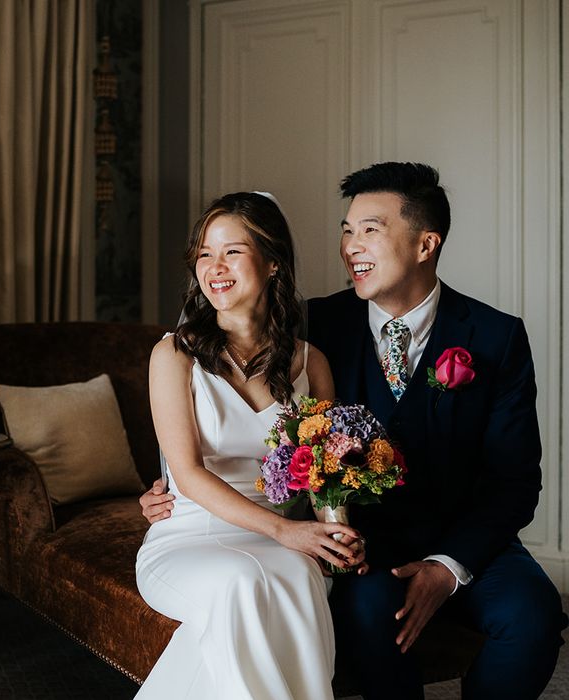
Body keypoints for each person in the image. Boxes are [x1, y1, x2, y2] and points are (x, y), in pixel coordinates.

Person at [141, 164, 566, 699]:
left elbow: (516, 481)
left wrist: (446, 567)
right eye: (346, 230)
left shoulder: (496, 337)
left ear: (425, 244)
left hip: (466, 538)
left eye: (370, 229)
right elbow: (214, 388)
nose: (350, 246)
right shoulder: (315, 324)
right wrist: (164, 487)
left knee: (534, 618)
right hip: (367, 542)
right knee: (365, 616)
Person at [135, 191, 366, 700]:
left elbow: (323, 474)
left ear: (273, 262)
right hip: (188, 535)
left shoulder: (312, 363)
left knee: (301, 578)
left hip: (281, 535)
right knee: (241, 583)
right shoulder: (173, 356)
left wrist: (335, 533)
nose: (214, 267)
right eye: (204, 254)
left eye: (232, 251)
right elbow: (189, 475)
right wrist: (287, 530)